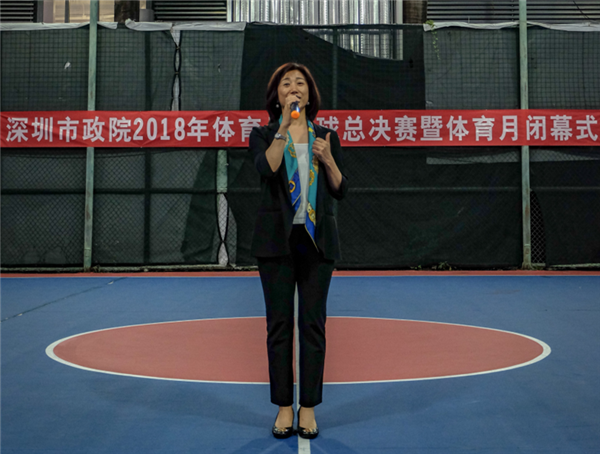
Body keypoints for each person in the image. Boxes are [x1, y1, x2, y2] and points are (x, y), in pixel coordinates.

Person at [248, 62, 348, 439]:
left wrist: (328, 158)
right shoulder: (263, 134)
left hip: (317, 242)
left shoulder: (325, 136)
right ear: (277, 96)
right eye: (286, 84)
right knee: (279, 327)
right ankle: (283, 407)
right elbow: (267, 168)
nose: (294, 88)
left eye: (300, 83)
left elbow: (340, 188)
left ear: (310, 94)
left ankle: (307, 407)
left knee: (313, 326)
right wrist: (284, 128)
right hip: (276, 242)